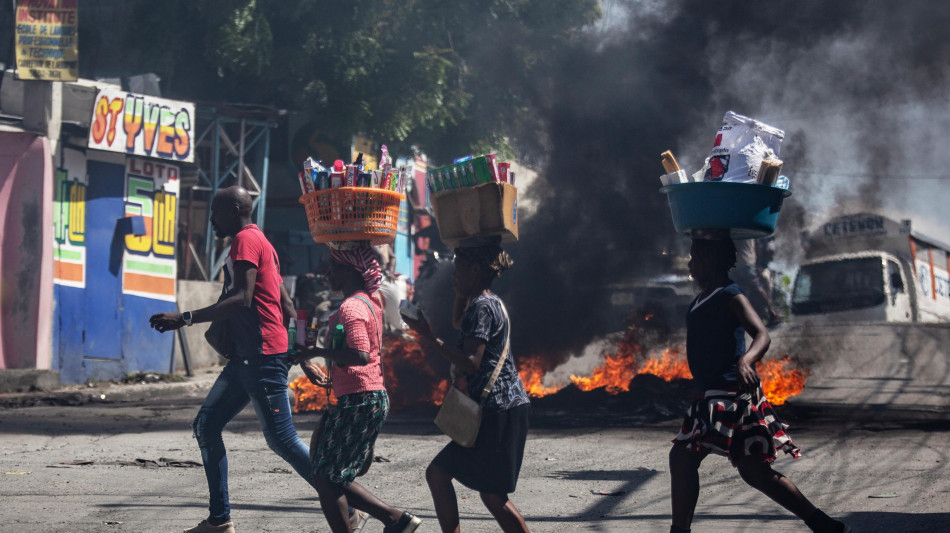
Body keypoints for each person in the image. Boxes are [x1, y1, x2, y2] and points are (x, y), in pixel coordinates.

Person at [150, 186, 325, 533]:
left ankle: (348, 503)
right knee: (206, 425)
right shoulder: (263, 242)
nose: (212, 219)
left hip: (260, 355)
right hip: (250, 357)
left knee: (283, 441)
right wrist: (303, 355)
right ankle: (219, 521)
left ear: (233, 210)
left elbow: (243, 298)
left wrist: (184, 318)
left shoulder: (246, 240)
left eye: (216, 212)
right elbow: (286, 305)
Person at [668, 234, 850, 533]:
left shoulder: (731, 294)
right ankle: (824, 525)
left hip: (727, 395)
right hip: (710, 393)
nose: (691, 263)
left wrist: (745, 361)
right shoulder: (701, 298)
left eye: (695, 256)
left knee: (683, 457)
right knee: (755, 472)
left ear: (711, 260)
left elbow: (762, 334)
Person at [291, 245, 422, 533]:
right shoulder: (369, 301)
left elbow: (360, 354)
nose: (327, 274)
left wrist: (318, 351)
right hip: (366, 396)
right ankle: (395, 520)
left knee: (326, 478)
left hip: (361, 399)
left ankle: (394, 518)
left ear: (350, 271)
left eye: (334, 267)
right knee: (333, 476)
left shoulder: (351, 307)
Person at [403, 242, 532, 533]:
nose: (452, 273)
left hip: (499, 410)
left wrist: (427, 336)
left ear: (475, 271)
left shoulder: (482, 308)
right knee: (486, 493)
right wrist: (463, 289)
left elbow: (472, 362)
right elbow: (459, 321)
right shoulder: (488, 301)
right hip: (504, 408)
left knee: (460, 482)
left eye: (458, 267)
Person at [731, 238, 781, 327]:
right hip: (745, 263)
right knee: (746, 290)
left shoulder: (739, 228)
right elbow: (758, 248)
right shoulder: (751, 230)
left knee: (755, 288)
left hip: (743, 263)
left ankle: (772, 313)